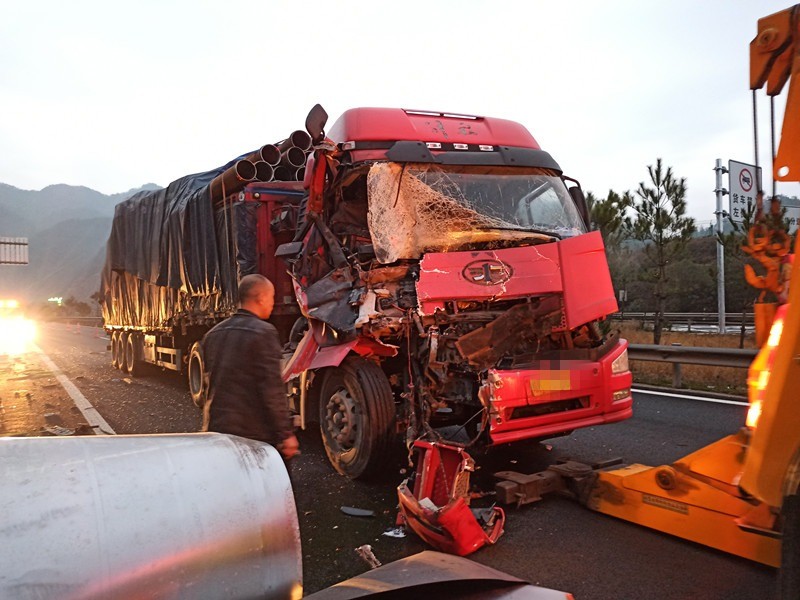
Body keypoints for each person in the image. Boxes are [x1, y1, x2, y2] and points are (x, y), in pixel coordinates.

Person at [201, 274, 299, 461]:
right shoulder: (264, 332)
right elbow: (272, 390)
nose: (272, 303)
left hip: (217, 428)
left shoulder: (212, 334)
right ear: (261, 298)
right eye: (271, 297)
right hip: (253, 434)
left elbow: (210, 386)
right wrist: (285, 433)